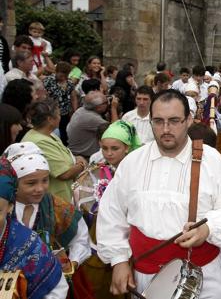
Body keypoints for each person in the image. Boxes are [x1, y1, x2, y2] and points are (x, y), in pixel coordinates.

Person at [96, 90, 221, 298]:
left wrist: (208, 229)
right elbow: (112, 214)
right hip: (145, 277)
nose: (166, 129)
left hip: (203, 276)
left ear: (189, 120)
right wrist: (119, 261)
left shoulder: (212, 160)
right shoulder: (133, 162)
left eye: (174, 121)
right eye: (158, 121)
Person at [74, 120, 140, 298]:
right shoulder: (97, 167)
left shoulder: (137, 170)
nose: (108, 153)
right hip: (99, 238)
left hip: (130, 239)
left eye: (114, 148)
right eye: (104, 148)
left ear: (127, 147)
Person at [4, 142, 91, 278]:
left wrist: (73, 262)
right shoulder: (3, 208)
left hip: (50, 282)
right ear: (14, 182)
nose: (40, 189)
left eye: (45, 180)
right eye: (31, 183)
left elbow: (81, 237)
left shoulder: (56, 206)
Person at [0, 156, 69, 299]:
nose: (39, 188)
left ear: (10, 207)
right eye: (31, 183)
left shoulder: (28, 244)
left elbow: (57, 290)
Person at [22, 99, 88, 202]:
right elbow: (64, 174)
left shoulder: (49, 134)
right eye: (58, 114)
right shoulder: (39, 142)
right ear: (49, 119)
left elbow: (63, 155)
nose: (60, 117)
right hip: (54, 201)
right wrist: (81, 164)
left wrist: (75, 159)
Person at [67, 91, 115, 158]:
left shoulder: (81, 110)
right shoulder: (91, 118)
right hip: (83, 157)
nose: (109, 103)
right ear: (99, 107)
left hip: (75, 152)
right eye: (106, 102)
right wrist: (114, 108)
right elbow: (116, 130)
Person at [43, 61, 79, 145]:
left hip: (65, 113)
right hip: (52, 112)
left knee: (64, 134)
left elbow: (73, 97)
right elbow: (43, 95)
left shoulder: (69, 83)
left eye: (65, 75)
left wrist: (75, 111)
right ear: (56, 71)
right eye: (61, 75)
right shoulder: (49, 80)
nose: (63, 77)